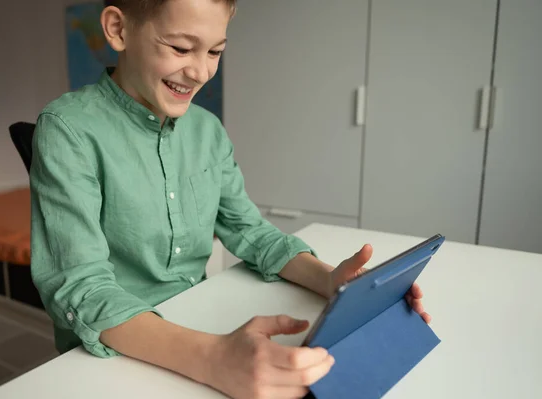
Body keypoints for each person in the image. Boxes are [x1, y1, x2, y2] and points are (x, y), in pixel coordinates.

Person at [29, 0, 431, 398]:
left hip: (198, 319)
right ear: (118, 29)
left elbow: (250, 230)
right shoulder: (68, 129)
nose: (200, 70)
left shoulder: (207, 130)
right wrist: (214, 360)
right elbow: (82, 288)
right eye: (181, 48)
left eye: (215, 51)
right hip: (109, 354)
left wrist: (330, 281)